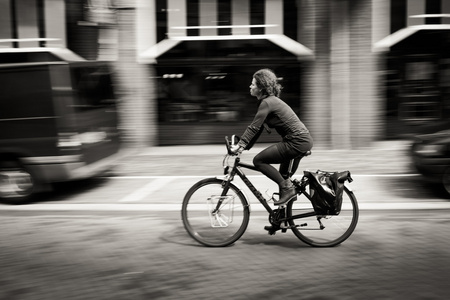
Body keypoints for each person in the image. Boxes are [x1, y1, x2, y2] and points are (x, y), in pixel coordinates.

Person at [231, 68, 313, 206]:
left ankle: (288, 189)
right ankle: (281, 221)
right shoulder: (269, 102)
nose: (250, 86)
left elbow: (254, 127)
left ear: (261, 88)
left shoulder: (267, 103)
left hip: (296, 142)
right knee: (283, 178)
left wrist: (240, 145)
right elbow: (257, 130)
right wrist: (244, 147)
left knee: (259, 161)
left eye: (253, 84)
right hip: (299, 141)